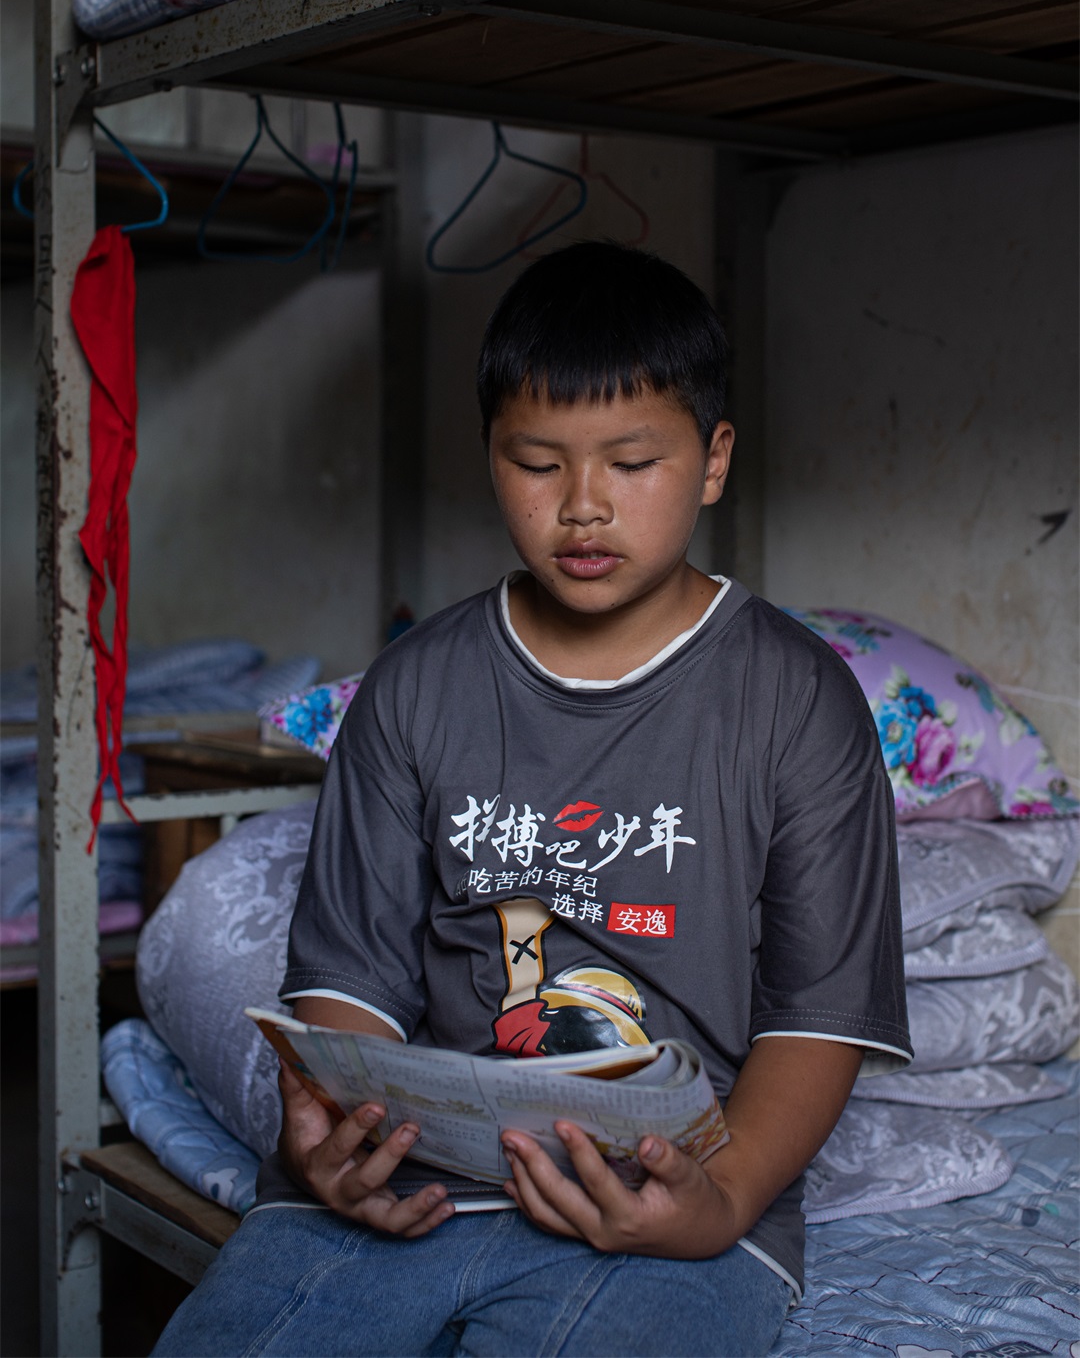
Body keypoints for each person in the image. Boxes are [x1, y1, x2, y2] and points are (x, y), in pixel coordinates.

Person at [154, 242, 911, 1358]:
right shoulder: (416, 687)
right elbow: (348, 982)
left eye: (633, 461)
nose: (584, 506)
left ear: (713, 460)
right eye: (538, 463)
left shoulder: (798, 701)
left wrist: (726, 1200)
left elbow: (818, 1013)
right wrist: (333, 1141)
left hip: (673, 1201)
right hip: (416, 1178)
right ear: (491, 458)